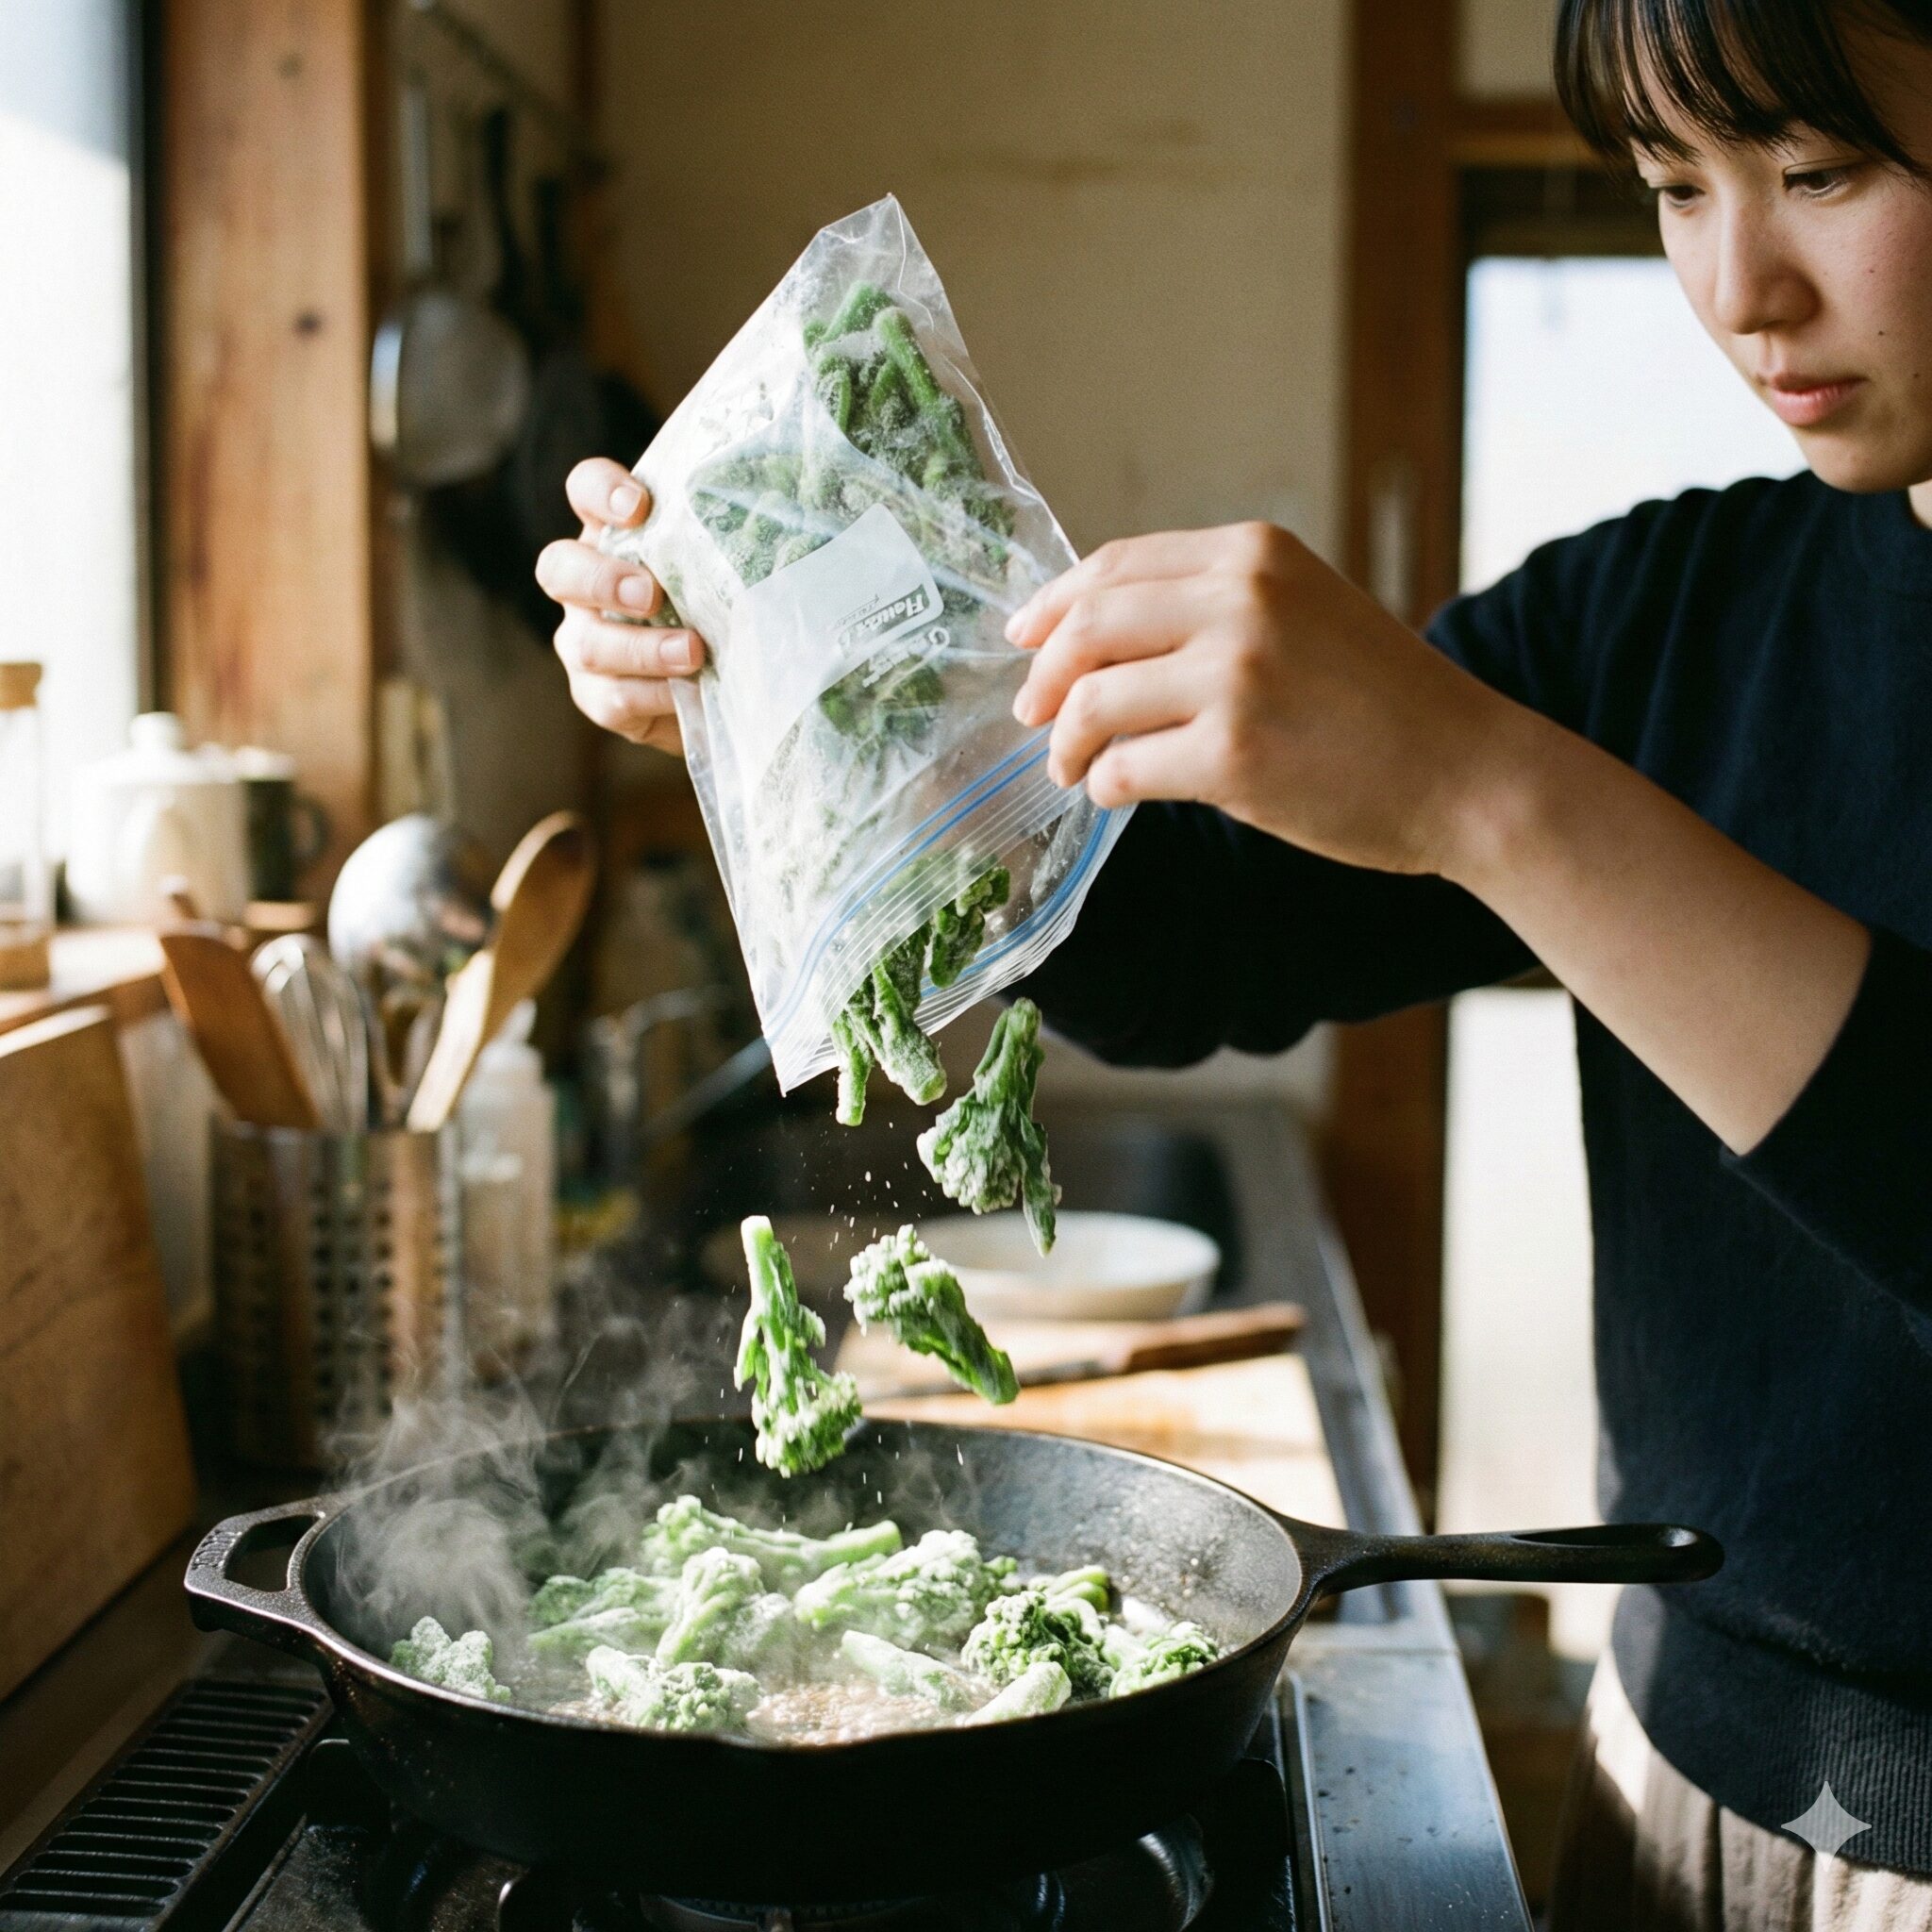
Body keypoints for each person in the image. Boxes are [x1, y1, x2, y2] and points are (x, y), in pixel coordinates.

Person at [539, 1, 1932, 1921]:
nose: (1738, 284)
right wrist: (799, 686)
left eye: (1819, 175)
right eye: (1671, 187)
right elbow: (1194, 932)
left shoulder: (1571, 714)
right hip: (1680, 1760)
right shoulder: (1672, 610)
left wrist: (1482, 787)